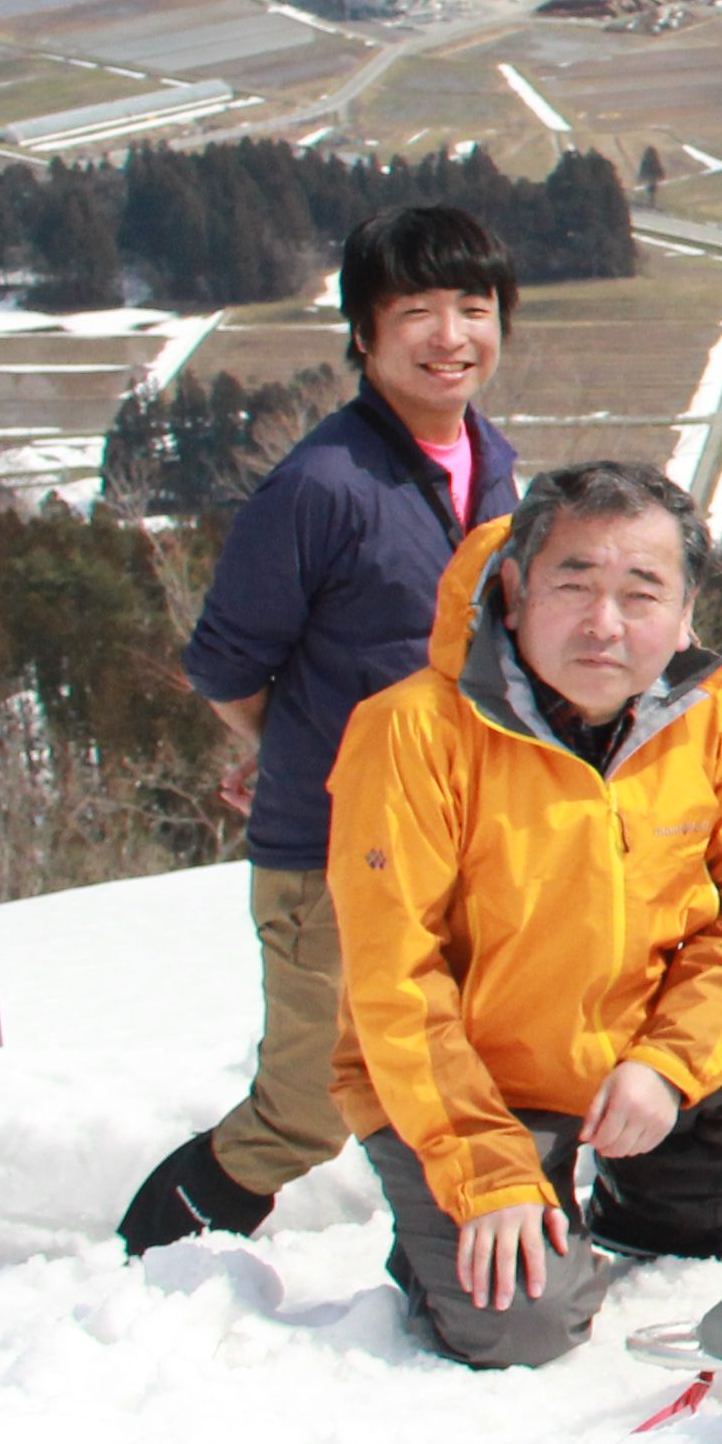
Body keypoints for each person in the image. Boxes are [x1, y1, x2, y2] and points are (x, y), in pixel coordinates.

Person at [328, 464, 722, 1368]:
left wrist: (668, 1065)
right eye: (574, 585)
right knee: (526, 1325)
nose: (604, 624)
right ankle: (455, 1233)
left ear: (686, 607)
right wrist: (488, 1169)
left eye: (640, 593)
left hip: (622, 1056)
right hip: (474, 1084)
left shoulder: (713, 710)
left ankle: (653, 1206)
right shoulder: (412, 732)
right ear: (513, 589)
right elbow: (397, 979)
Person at [121, 202, 522, 1253]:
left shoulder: (493, 466)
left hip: (452, 846)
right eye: (417, 311)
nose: (450, 336)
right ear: (362, 333)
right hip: (331, 855)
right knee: (306, 1107)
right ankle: (143, 1265)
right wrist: (289, 752)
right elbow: (224, 664)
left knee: (473, 1066)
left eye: (472, 308)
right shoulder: (320, 486)